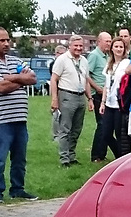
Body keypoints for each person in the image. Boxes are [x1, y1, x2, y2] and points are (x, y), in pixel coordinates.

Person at [0, 26, 37, 203]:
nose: (7, 44)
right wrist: (21, 79)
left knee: (19, 159)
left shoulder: (15, 60)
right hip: (1, 121)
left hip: (20, 119)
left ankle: (17, 189)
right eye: (2, 40)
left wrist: (10, 77)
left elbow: (33, 78)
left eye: (8, 40)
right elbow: (0, 88)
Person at [50, 35, 94, 167]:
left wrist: (90, 98)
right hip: (66, 95)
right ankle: (64, 159)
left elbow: (86, 80)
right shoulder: (62, 60)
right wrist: (54, 99)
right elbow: (54, 79)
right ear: (70, 46)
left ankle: (72, 155)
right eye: (76, 45)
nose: (78, 48)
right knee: (65, 129)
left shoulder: (84, 61)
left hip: (80, 96)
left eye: (81, 46)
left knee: (77, 129)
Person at [98, 37, 130, 160]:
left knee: (120, 134)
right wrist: (103, 102)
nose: (118, 49)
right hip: (109, 104)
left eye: (121, 47)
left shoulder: (127, 63)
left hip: (120, 105)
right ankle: (119, 157)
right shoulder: (109, 64)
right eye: (116, 46)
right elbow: (106, 85)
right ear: (112, 48)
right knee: (106, 134)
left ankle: (122, 158)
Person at [88, 32, 112, 163]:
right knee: (102, 124)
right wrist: (97, 88)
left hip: (107, 94)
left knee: (107, 125)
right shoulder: (94, 56)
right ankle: (96, 155)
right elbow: (87, 75)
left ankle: (102, 153)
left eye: (110, 41)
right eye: (106, 41)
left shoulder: (107, 56)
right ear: (99, 42)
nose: (109, 43)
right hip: (98, 94)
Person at [49, 45, 67, 143]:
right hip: (57, 89)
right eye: (59, 53)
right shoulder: (53, 64)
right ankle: (56, 135)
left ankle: (63, 133)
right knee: (56, 113)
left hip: (65, 90)